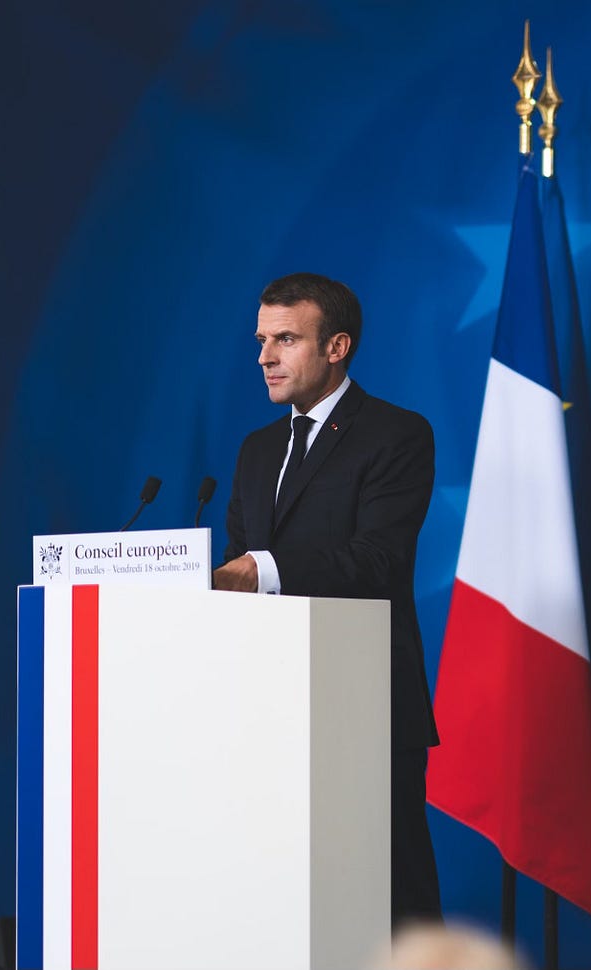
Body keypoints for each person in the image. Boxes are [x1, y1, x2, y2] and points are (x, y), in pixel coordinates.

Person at [214, 272, 442, 929]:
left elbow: (378, 560)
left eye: (286, 339)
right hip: (267, 709)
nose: (265, 356)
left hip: (365, 706)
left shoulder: (397, 434)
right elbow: (236, 566)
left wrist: (262, 569)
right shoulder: (257, 450)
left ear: (337, 347)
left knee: (390, 898)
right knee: (288, 908)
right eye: (261, 340)